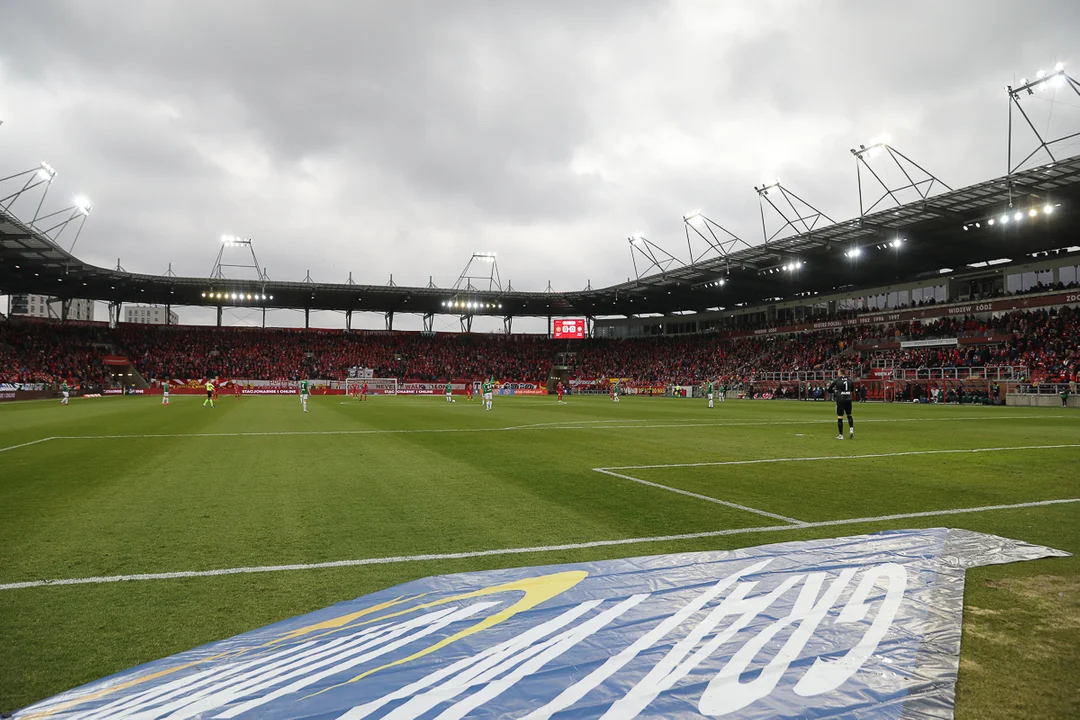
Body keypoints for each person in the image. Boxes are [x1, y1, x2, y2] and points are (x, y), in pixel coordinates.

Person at [827, 369, 855, 440]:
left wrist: (835, 391)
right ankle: (851, 429)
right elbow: (852, 390)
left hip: (840, 399)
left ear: (840, 373)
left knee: (840, 417)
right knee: (849, 415)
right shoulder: (849, 380)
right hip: (848, 399)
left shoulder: (837, 380)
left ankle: (841, 435)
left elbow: (829, 389)